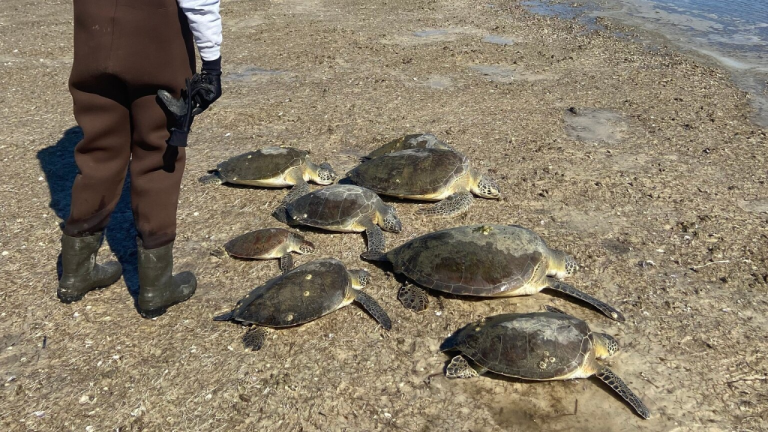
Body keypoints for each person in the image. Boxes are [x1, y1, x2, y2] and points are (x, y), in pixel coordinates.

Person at [57, 0, 223, 318]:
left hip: (94, 32)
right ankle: (155, 286)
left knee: (99, 149)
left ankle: (76, 273)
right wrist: (212, 65)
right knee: (160, 150)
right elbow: (199, 3)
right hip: (156, 37)